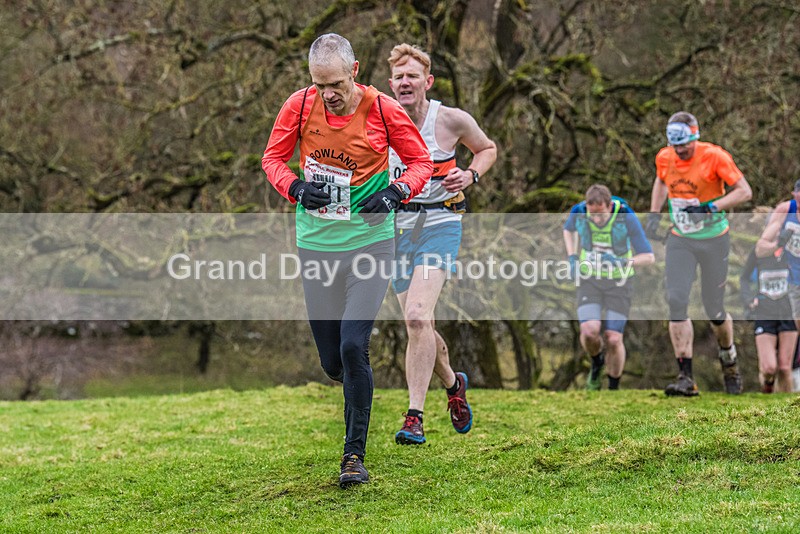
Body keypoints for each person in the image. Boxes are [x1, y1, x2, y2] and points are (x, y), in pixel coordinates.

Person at [261, 34, 433, 488]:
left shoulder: (382, 110)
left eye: (335, 84)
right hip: (317, 244)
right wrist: (295, 188)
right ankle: (351, 382)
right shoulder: (298, 107)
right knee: (333, 360)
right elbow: (272, 159)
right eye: (320, 85)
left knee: (356, 346)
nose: (328, 94)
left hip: (370, 245)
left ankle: (353, 456)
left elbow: (421, 163)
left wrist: (396, 193)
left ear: (354, 72)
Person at [385, 43, 497, 445]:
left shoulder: (449, 120)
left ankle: (414, 417)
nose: (405, 82)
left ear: (427, 82)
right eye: (398, 77)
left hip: (441, 222)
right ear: (391, 84)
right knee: (421, 325)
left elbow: (487, 149)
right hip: (397, 230)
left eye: (412, 76)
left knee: (416, 316)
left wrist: (470, 176)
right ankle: (454, 384)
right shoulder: (380, 122)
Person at [645, 111, 752, 396]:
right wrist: (654, 214)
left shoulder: (715, 157)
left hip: (714, 239)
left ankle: (729, 361)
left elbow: (744, 191)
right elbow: (659, 180)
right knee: (676, 299)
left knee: (714, 308)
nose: (680, 151)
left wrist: (710, 207)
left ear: (695, 136)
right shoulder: (664, 157)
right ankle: (685, 377)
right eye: (675, 145)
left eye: (685, 146)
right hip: (681, 238)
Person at [563, 184, 654, 390]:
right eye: (592, 215)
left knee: (613, 338)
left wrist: (623, 262)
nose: (596, 220)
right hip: (590, 279)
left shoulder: (626, 216)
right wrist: (572, 256)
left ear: (609, 205)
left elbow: (648, 257)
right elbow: (568, 230)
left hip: (619, 282)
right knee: (588, 331)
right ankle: (597, 363)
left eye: (601, 216)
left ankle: (613, 387)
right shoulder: (579, 211)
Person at [754, 179, 800, 392]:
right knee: (778, 364)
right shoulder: (784, 212)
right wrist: (778, 243)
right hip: (791, 286)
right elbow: (760, 249)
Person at [740, 244, 797, 393]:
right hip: (764, 314)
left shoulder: (791, 252)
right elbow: (744, 278)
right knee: (769, 368)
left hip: (787, 314)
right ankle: (768, 389)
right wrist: (749, 300)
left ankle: (787, 409)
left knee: (785, 367)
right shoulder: (759, 251)